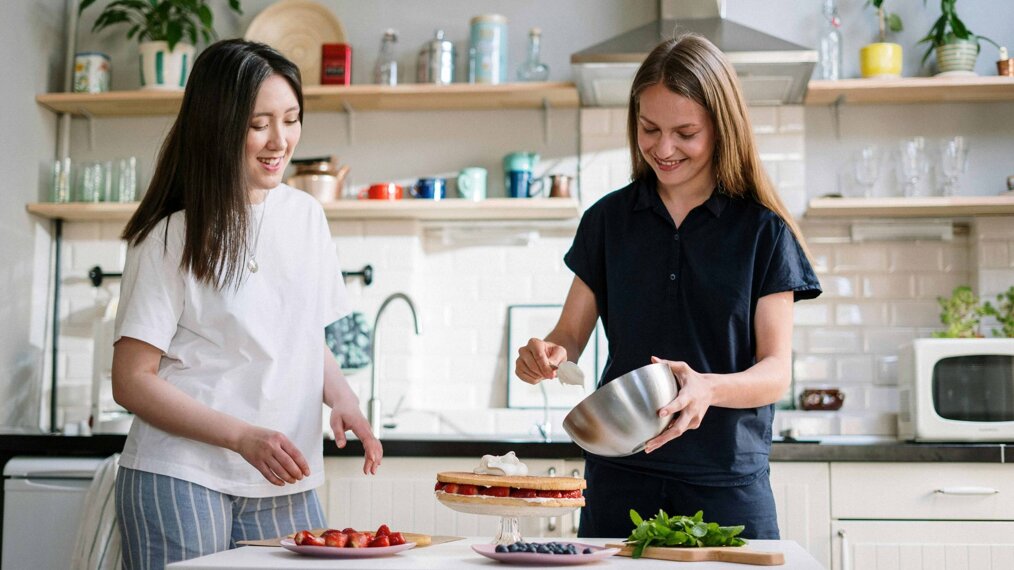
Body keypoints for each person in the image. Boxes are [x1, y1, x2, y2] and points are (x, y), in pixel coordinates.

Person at [514, 34, 821, 540]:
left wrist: (708, 387)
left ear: (722, 129)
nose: (663, 148)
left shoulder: (763, 232)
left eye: (685, 133)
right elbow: (569, 333)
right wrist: (545, 354)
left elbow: (775, 372)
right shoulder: (607, 221)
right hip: (620, 476)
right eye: (649, 128)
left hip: (726, 482)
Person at [111, 39, 382, 567]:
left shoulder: (306, 217)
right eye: (259, 123)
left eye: (291, 119)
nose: (279, 140)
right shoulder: (172, 234)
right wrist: (240, 437)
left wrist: (344, 400)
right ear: (218, 124)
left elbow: (303, 337)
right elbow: (131, 380)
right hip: (181, 474)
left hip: (283, 474)